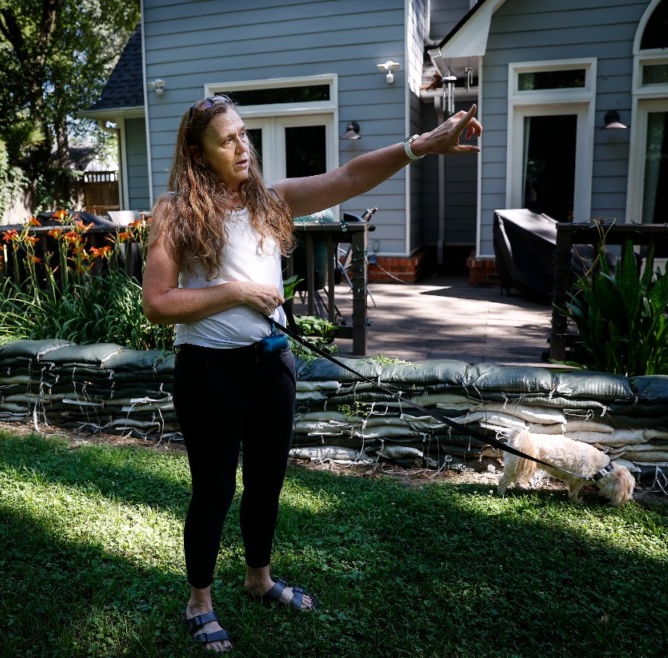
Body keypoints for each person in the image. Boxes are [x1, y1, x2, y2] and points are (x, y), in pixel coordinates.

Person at [142, 94, 481, 653]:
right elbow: (157, 302)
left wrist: (423, 144)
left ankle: (259, 579)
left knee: (268, 482)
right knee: (214, 490)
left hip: (272, 365)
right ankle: (199, 601)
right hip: (208, 372)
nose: (241, 146)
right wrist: (234, 292)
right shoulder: (176, 212)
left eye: (243, 134)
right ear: (199, 155)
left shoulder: (270, 203)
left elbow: (349, 176)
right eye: (226, 140)